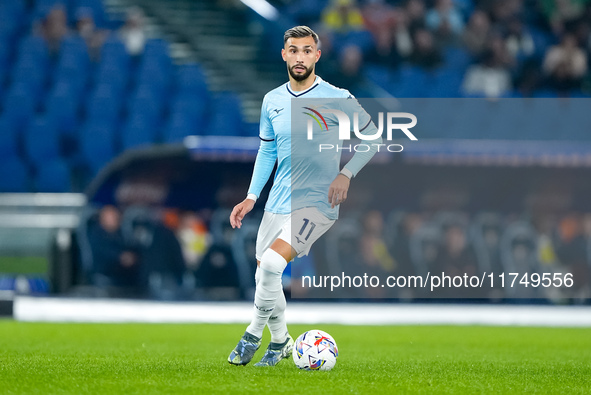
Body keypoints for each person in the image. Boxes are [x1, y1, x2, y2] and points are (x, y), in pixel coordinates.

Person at [227, 26, 381, 367]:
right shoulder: (272, 101)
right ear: (284, 55)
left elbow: (373, 137)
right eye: (293, 50)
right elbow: (267, 152)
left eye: (306, 50)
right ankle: (281, 341)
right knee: (265, 277)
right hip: (277, 201)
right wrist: (252, 196)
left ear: (317, 55)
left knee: (270, 264)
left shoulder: (337, 97)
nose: (299, 57)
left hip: (318, 204)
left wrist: (346, 173)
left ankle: (253, 334)